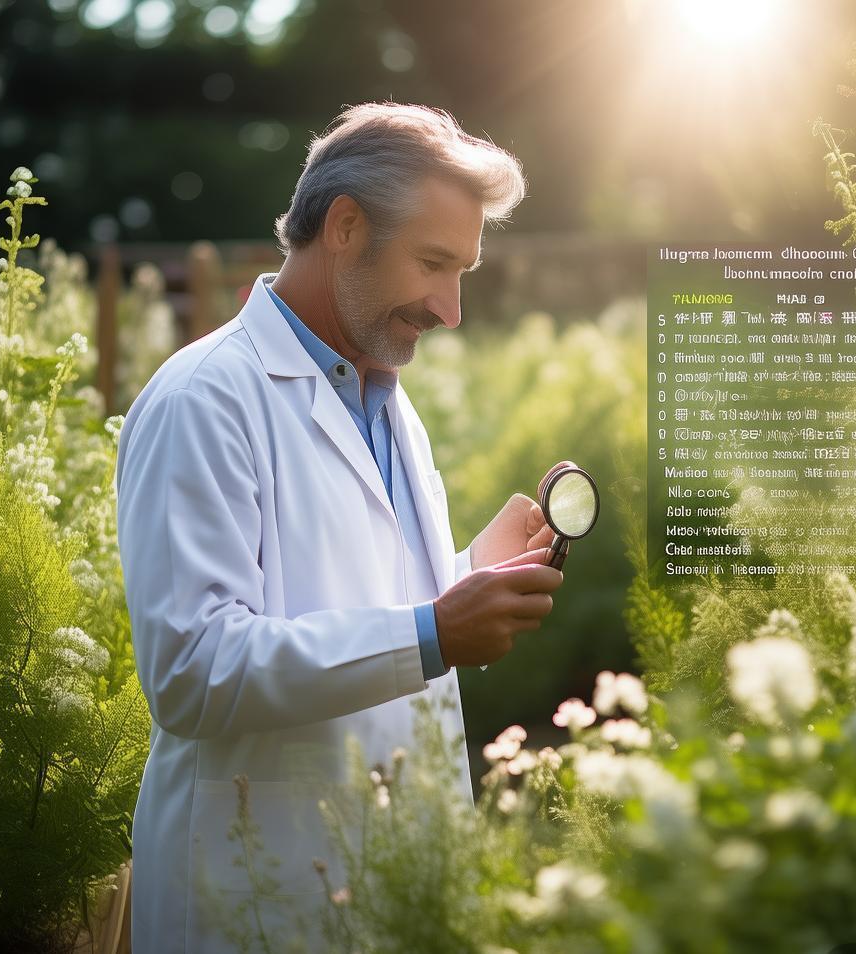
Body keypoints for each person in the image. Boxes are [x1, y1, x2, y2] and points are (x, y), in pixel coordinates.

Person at [115, 102, 570, 954]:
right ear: (347, 227)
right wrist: (437, 632)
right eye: (433, 263)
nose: (451, 309)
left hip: (392, 883)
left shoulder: (387, 399)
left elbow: (359, 608)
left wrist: (470, 575)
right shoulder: (203, 400)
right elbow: (191, 671)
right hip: (258, 891)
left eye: (462, 272)